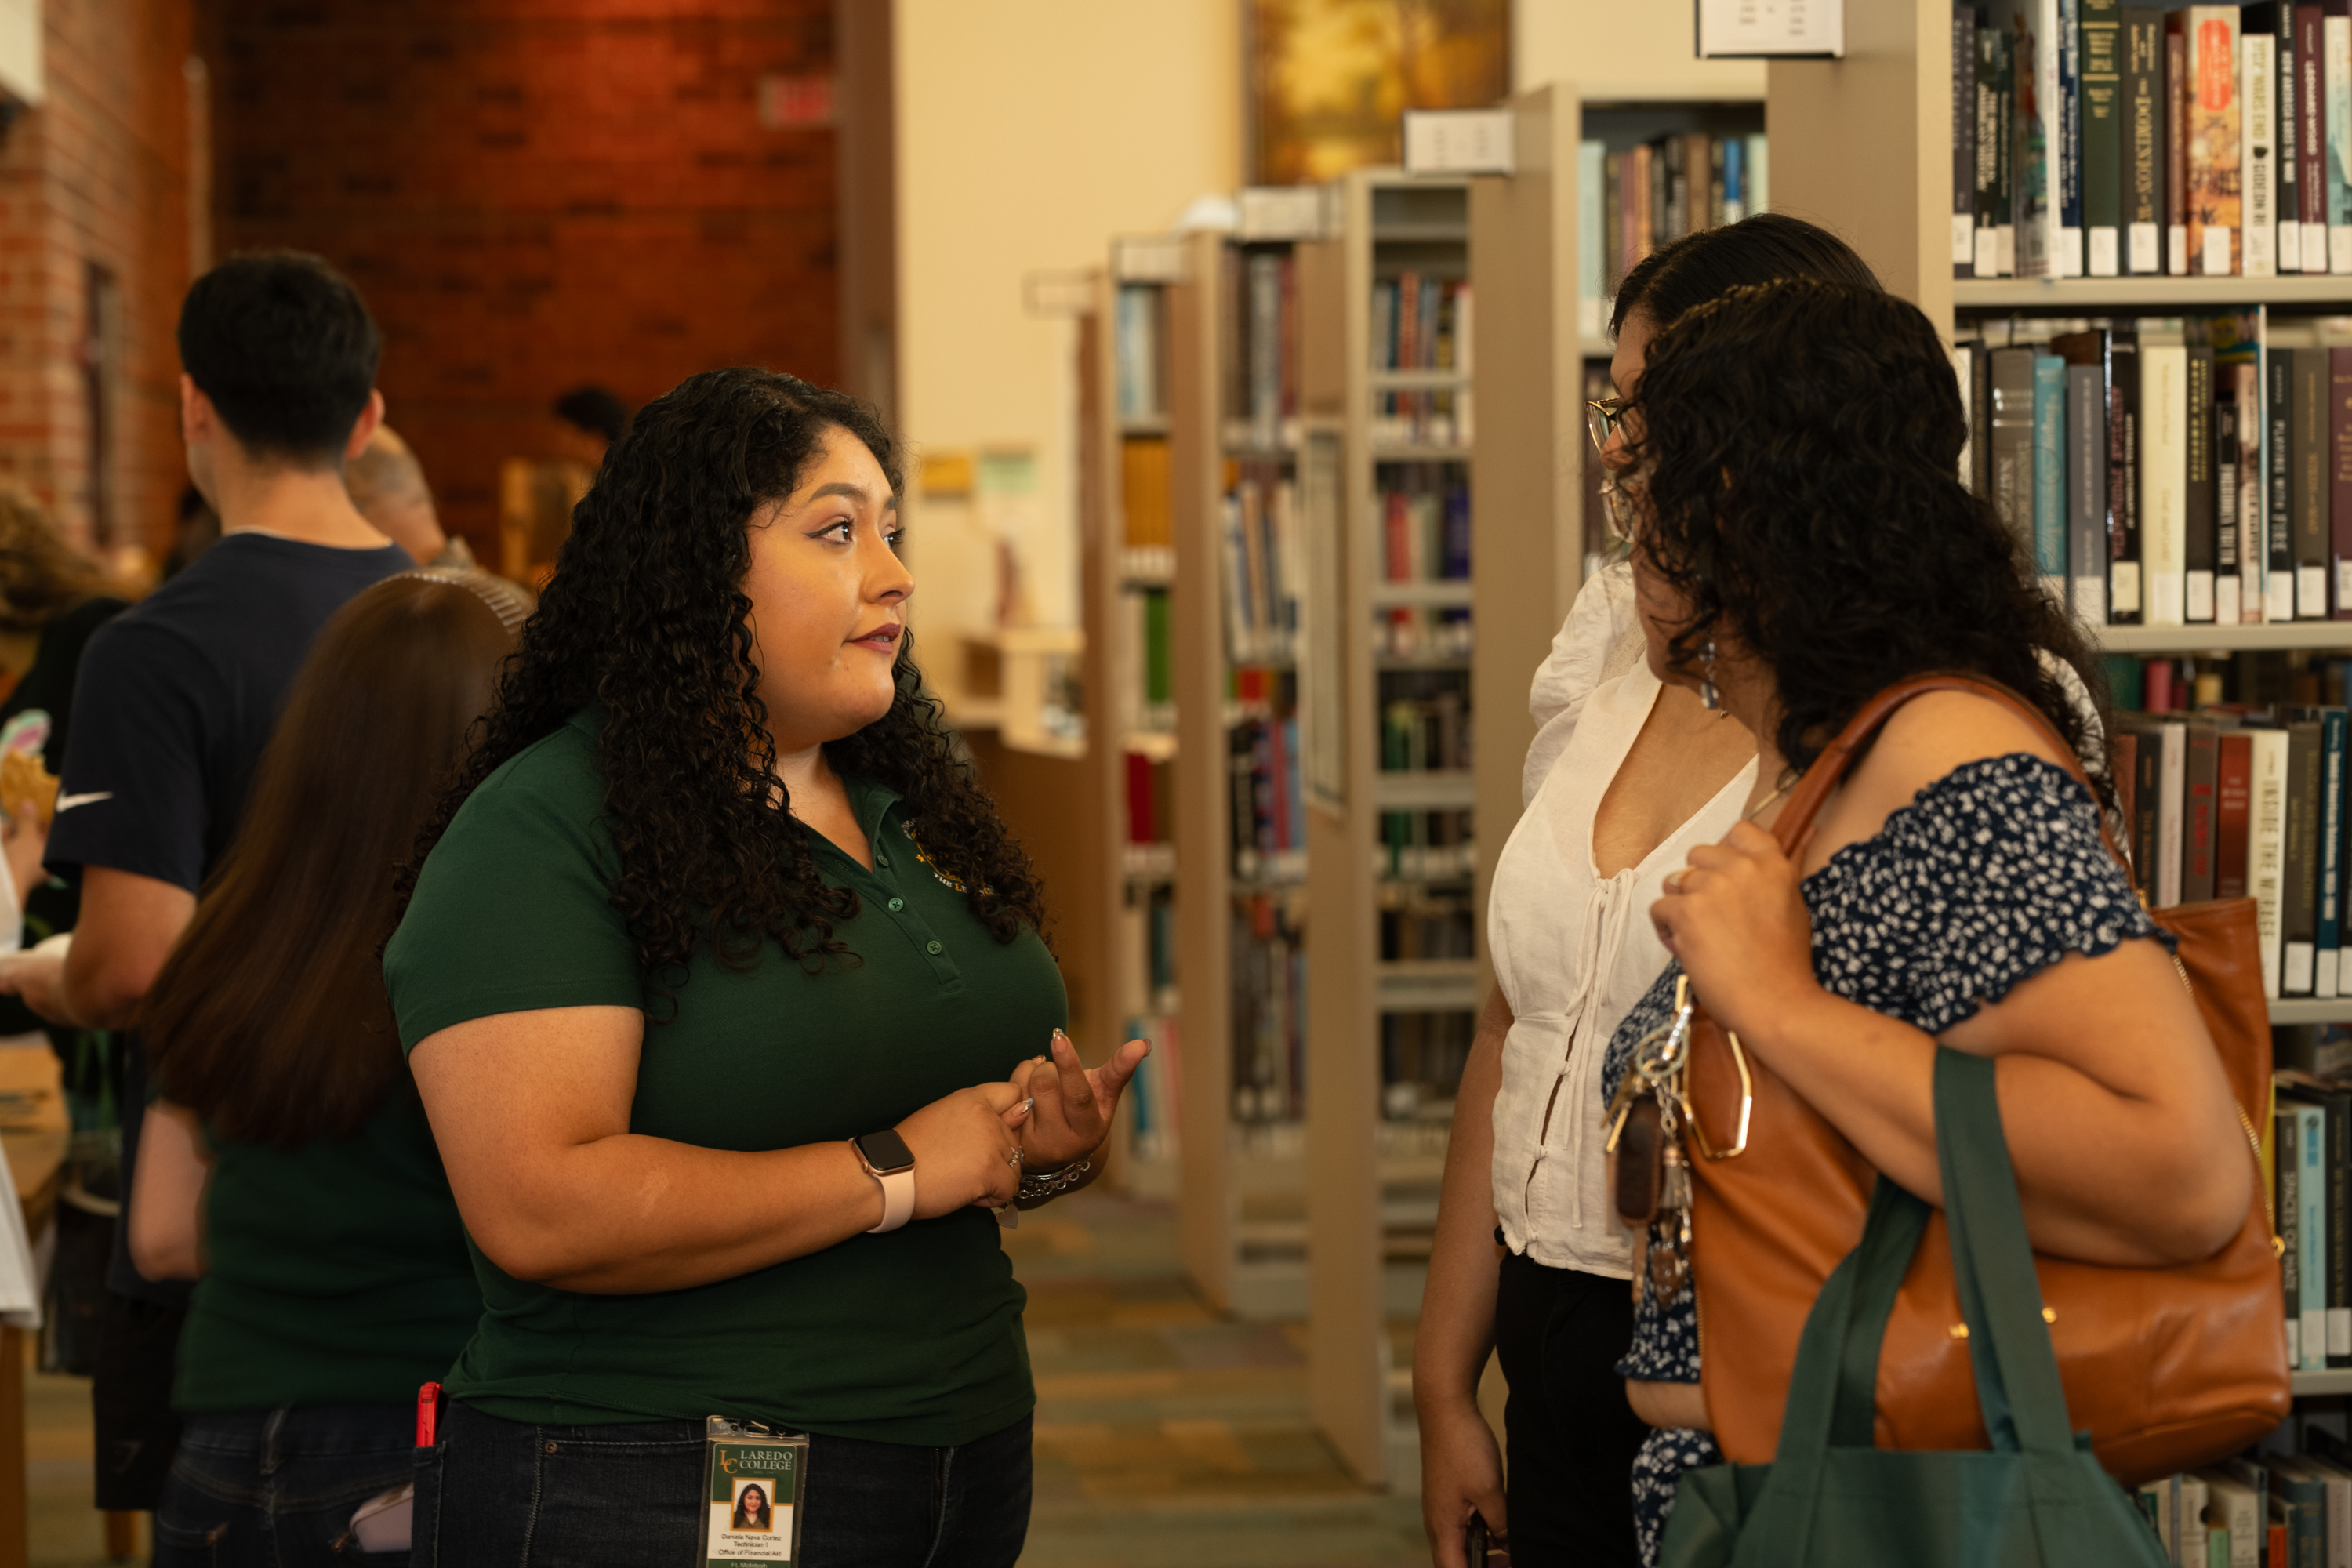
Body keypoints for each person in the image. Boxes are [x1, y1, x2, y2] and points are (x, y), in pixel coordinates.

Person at [384, 367, 1148, 1566]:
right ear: (696, 570)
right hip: (649, 1473)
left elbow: (953, 1139)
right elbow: (539, 1205)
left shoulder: (900, 793)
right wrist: (896, 1167)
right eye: (838, 531)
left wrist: (1036, 1153)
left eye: (893, 532)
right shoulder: (548, 828)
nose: (893, 573)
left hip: (954, 1457)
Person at [1600, 278, 2248, 1563]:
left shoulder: (1953, 766)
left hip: (1885, 1513)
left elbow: (2184, 1169)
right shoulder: (1839, 755)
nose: (1630, 531)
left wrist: (1779, 1008)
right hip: (1775, 1493)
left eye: (1644, 483)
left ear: (1734, 503)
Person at [1413, 214, 1884, 1568]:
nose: (1623, 451)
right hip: (1546, 1319)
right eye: (1615, 408)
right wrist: (1445, 1384)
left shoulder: (1869, 705)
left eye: (1658, 412)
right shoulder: (1606, 644)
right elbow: (1514, 1031)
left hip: (1748, 1339)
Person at [0, 249, 412, 1516]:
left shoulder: (157, 647)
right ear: (369, 417)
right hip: (438, 1205)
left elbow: (132, 965)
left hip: (235, 1227)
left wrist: (23, 969)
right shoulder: (473, 624)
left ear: (191, 405)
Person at [124, 572, 524, 1565]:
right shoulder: (500, 951)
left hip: (220, 1444)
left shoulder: (225, 932)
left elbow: (164, 1236)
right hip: (427, 1437)